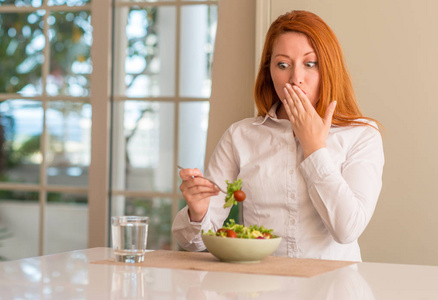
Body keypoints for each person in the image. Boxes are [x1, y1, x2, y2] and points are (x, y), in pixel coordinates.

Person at [172, 10, 384, 261]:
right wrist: (198, 211)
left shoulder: (361, 134)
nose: (296, 79)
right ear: (269, 72)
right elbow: (195, 241)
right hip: (259, 286)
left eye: (310, 63)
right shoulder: (240, 135)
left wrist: (314, 147)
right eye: (283, 65)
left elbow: (347, 230)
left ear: (328, 67)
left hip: (333, 288)